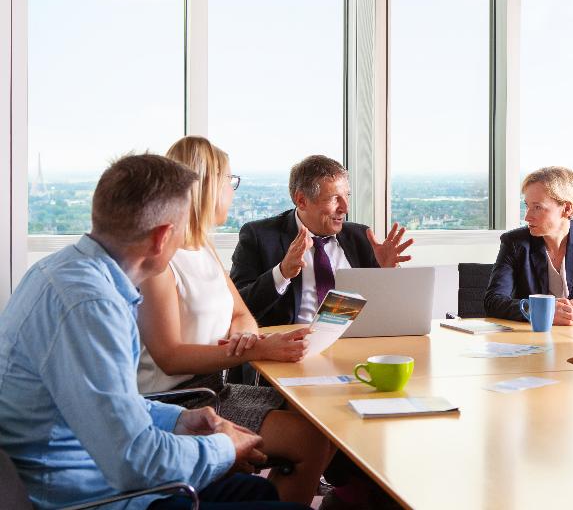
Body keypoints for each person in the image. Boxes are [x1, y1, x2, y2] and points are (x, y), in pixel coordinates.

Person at [0, 154, 303, 510]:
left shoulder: (59, 271)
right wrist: (224, 448)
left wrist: (179, 419)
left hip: (97, 471)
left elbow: (111, 401)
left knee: (256, 492)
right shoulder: (91, 306)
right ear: (161, 238)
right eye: (182, 230)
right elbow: (134, 461)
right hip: (97, 496)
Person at [137, 137, 335, 505]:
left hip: (215, 388)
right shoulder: (161, 260)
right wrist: (252, 351)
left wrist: (246, 338)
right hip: (179, 403)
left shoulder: (202, 247)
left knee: (324, 421)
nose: (232, 190)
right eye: (229, 180)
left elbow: (241, 313)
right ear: (205, 185)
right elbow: (170, 357)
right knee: (311, 439)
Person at [230, 155, 414, 327]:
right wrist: (282, 272)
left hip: (354, 342)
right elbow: (237, 309)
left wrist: (388, 273)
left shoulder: (361, 237)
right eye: (334, 199)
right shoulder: (259, 236)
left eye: (347, 196)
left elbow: (390, 312)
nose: (345, 208)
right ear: (301, 200)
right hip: (293, 344)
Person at [484, 166, 573, 324]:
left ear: (566, 208)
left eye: (537, 207)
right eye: (527, 206)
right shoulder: (514, 243)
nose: (527, 217)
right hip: (529, 335)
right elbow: (493, 301)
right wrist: (541, 311)